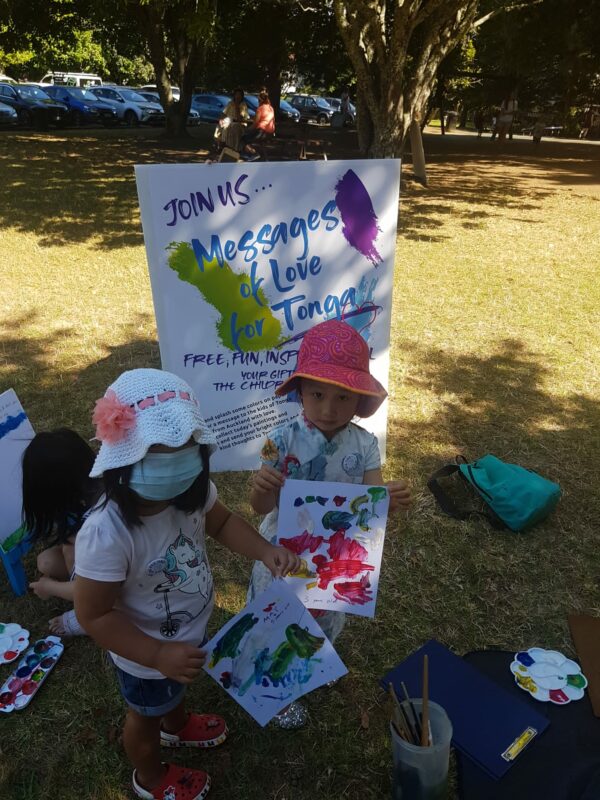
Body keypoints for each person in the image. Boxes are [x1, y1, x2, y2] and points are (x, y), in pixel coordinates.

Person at [74, 368, 299, 800]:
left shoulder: (190, 493)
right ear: (123, 459)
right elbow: (93, 613)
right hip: (143, 655)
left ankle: (177, 726)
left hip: (184, 636)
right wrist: (156, 654)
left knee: (173, 690)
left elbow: (224, 523)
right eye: (159, 453)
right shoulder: (107, 532)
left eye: (187, 450)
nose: (177, 464)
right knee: (144, 716)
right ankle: (150, 778)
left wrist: (264, 551)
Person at [247, 319, 412, 728]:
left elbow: (370, 506)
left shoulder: (365, 444)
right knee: (276, 618)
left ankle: (310, 661)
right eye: (317, 394)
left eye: (343, 397)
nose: (328, 408)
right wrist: (262, 484)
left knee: (322, 617)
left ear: (359, 399)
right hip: (282, 552)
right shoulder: (278, 439)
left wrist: (385, 502)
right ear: (299, 390)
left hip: (336, 558)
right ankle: (274, 684)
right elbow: (258, 506)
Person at [23, 428, 100, 636]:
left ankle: (88, 617)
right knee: (46, 561)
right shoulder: (78, 497)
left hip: (110, 584)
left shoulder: (99, 518)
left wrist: (51, 588)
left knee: (69, 549)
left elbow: (94, 589)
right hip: (95, 559)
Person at [241, 89, 275, 159]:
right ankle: (260, 155)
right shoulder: (271, 108)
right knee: (253, 138)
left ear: (261, 100)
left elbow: (255, 123)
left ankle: (253, 153)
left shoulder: (260, 109)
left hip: (262, 131)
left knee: (244, 138)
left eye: (258, 100)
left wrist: (247, 129)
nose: (258, 102)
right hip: (270, 132)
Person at [214, 87, 249, 152]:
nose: (238, 96)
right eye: (236, 94)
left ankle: (232, 148)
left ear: (242, 96)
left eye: (239, 95)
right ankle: (220, 146)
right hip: (228, 121)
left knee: (233, 127)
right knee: (220, 126)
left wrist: (237, 107)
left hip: (239, 123)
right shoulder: (230, 103)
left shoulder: (243, 105)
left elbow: (240, 118)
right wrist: (221, 119)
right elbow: (224, 113)